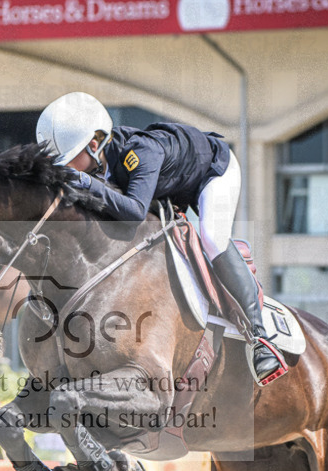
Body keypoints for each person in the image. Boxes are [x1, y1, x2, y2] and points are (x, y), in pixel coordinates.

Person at [35, 92, 285, 385]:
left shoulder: (141, 153)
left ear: (93, 144)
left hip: (212, 172)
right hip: (171, 187)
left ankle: (261, 339)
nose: (66, 171)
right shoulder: (98, 162)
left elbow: (134, 213)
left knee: (212, 238)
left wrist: (85, 182)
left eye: (67, 162)